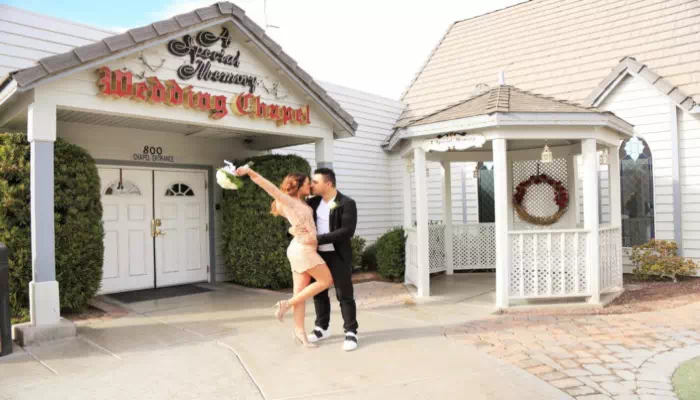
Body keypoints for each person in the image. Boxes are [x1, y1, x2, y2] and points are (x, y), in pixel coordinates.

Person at [234, 165, 333, 348]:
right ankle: (286, 304)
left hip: (301, 248)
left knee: (300, 293)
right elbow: (269, 187)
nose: (310, 185)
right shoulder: (288, 201)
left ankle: (300, 334)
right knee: (326, 280)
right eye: (307, 183)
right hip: (303, 250)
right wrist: (250, 172)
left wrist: (292, 228)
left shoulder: (302, 202)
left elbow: (298, 221)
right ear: (299, 184)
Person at [293, 168, 359, 351]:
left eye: (315, 182)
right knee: (319, 294)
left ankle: (351, 332)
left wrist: (318, 239)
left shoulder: (347, 203)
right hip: (316, 255)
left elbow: (347, 231)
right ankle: (322, 327)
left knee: (344, 294)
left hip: (338, 255)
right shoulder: (312, 203)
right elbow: (296, 220)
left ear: (328, 184)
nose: (312, 185)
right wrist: (293, 231)